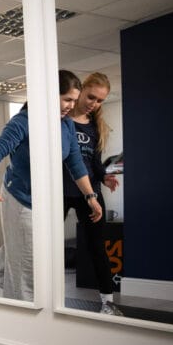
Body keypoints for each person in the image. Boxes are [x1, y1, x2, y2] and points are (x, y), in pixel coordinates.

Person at [0, 70, 102, 301]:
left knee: (30, 255)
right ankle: (22, 316)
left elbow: (76, 163)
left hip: (45, 201)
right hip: (19, 197)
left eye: (74, 100)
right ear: (48, 94)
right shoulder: (24, 121)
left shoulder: (66, 126)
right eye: (66, 99)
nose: (71, 105)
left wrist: (90, 196)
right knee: (27, 265)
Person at [64, 72, 123, 315]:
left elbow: (94, 162)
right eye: (91, 97)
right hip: (64, 191)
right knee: (44, 242)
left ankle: (107, 302)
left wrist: (104, 176)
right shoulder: (63, 120)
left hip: (91, 193)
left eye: (100, 100)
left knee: (98, 247)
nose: (94, 104)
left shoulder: (95, 126)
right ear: (81, 89)